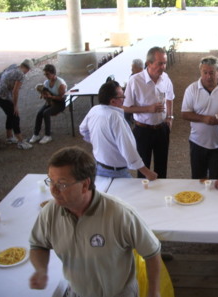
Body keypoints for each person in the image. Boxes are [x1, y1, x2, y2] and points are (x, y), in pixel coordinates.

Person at [29, 146, 162, 297]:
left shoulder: (120, 214)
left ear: (85, 185)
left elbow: (152, 252)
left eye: (62, 184)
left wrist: (153, 292)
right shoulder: (49, 213)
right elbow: (38, 245)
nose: (53, 190)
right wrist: (40, 270)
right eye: (51, 181)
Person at [79, 80, 157, 180]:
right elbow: (128, 149)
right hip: (116, 172)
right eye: (122, 97)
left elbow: (83, 130)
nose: (124, 99)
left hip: (98, 166)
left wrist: (100, 142)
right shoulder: (116, 118)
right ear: (113, 101)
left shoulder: (94, 109)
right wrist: (147, 173)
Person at [123, 47, 175, 178]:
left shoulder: (165, 78)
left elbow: (170, 97)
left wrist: (170, 117)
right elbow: (126, 107)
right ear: (148, 63)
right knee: (143, 167)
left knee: (162, 166)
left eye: (164, 63)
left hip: (162, 129)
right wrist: (148, 109)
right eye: (159, 63)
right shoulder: (135, 81)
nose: (163, 67)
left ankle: (161, 195)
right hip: (143, 130)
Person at [181, 56, 218, 179]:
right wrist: (204, 119)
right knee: (198, 179)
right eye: (205, 73)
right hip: (197, 143)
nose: (208, 76)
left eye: (212, 73)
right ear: (200, 72)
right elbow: (185, 114)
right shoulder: (192, 89)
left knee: (216, 179)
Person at [0, 58, 34, 149]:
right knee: (15, 115)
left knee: (10, 114)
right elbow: (15, 92)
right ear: (28, 69)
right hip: (2, 95)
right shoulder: (20, 75)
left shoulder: (13, 66)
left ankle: (9, 137)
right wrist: (15, 105)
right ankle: (21, 141)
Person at [29, 64, 67, 144]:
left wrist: (51, 97)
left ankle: (47, 135)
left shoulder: (60, 83)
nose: (46, 76)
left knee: (46, 113)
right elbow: (46, 93)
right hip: (50, 102)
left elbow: (62, 98)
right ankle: (36, 134)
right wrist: (44, 95)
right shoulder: (46, 82)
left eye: (47, 74)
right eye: (45, 74)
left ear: (53, 73)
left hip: (60, 103)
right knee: (39, 113)